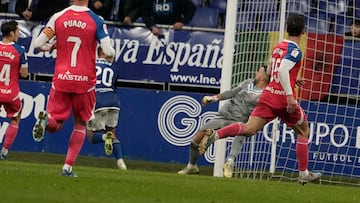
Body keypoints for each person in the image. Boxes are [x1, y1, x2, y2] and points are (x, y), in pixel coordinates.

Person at [199, 14, 322, 185]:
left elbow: (272, 71)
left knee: (249, 128)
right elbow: (281, 71)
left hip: (268, 94)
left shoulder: (278, 47)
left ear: (287, 29)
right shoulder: (295, 50)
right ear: (303, 31)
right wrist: (289, 96)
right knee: (303, 130)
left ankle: (216, 134)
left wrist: (293, 80)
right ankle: (303, 173)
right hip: (282, 98)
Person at [32, 0, 115, 177]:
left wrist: (52, 45)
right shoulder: (96, 20)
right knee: (80, 124)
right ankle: (67, 168)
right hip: (85, 81)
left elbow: (38, 44)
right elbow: (109, 51)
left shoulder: (58, 17)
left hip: (62, 77)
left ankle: (46, 120)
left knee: (55, 123)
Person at [178, 65, 270, 178]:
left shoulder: (267, 93)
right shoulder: (249, 83)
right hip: (224, 115)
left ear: (265, 77)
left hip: (240, 120)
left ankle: (230, 162)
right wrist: (213, 98)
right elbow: (231, 93)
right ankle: (192, 165)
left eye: (259, 72)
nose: (256, 73)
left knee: (242, 132)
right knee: (197, 138)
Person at [86, 46, 127, 170]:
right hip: (113, 101)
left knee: (91, 137)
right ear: (103, 53)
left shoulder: (90, 64)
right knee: (112, 132)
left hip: (97, 100)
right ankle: (121, 162)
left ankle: (104, 137)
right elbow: (114, 85)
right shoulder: (114, 67)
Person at [0, 20, 29, 159]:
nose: (18, 34)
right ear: (11, 33)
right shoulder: (20, 50)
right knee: (15, 119)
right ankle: (4, 151)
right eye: (17, 32)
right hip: (10, 93)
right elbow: (24, 73)